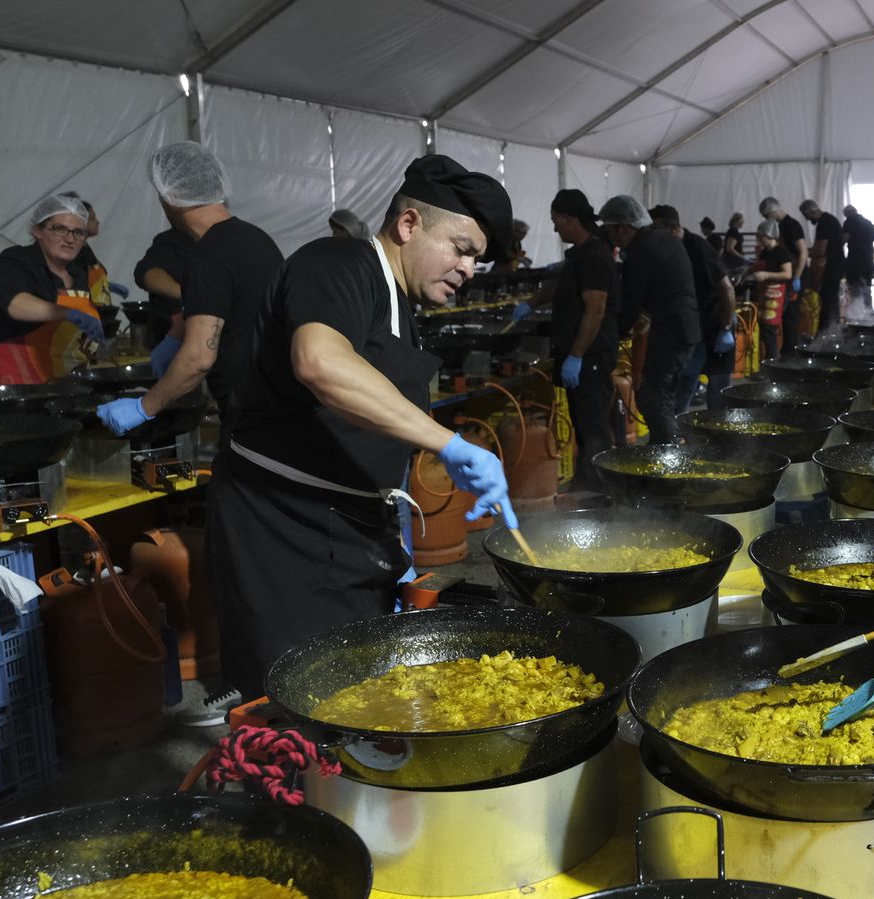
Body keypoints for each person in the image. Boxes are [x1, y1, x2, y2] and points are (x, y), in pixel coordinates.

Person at [208, 153, 518, 711]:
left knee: (359, 696)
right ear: (409, 224)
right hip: (283, 528)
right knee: (300, 700)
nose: (469, 269)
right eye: (461, 249)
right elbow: (320, 363)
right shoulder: (337, 262)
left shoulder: (401, 304)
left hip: (352, 526)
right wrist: (447, 443)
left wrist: (394, 536)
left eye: (476, 258)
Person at [97, 141, 284, 443]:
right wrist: (178, 334)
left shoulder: (207, 253)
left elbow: (198, 358)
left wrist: (143, 407)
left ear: (169, 196)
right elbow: (239, 306)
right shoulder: (256, 239)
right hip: (277, 402)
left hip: (250, 417)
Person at [514, 189, 619, 493]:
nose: (554, 228)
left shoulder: (594, 256)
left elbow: (595, 309)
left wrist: (576, 355)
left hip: (591, 358)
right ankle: (591, 488)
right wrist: (530, 303)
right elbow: (560, 285)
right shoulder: (581, 254)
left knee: (594, 428)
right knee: (585, 425)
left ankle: (596, 491)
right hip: (583, 357)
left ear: (569, 218)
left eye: (555, 220)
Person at [600, 195, 699, 446]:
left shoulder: (641, 251)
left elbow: (631, 306)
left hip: (668, 332)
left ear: (625, 227)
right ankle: (666, 448)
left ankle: (668, 456)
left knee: (652, 397)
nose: (612, 239)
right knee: (664, 397)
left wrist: (610, 338)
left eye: (611, 232)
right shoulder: (666, 239)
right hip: (685, 329)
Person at [0, 193, 104, 385]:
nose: (70, 239)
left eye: (78, 232)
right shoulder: (14, 262)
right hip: (10, 384)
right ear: (37, 231)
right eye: (60, 229)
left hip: (61, 384)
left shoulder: (78, 275)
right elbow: (15, 304)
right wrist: (68, 313)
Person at [651, 205, 736, 415]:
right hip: (693, 326)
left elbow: (727, 289)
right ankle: (675, 427)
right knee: (684, 382)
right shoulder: (670, 249)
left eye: (657, 230)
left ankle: (718, 428)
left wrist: (725, 327)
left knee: (718, 387)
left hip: (716, 323)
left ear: (672, 228)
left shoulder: (697, 248)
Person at [133, 227, 193, 350]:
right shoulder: (174, 240)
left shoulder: (226, 240)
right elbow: (147, 273)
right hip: (169, 334)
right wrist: (189, 295)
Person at [759, 197, 807, 351]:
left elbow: (803, 252)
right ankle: (784, 351)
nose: (766, 219)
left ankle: (790, 353)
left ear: (772, 212)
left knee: (790, 318)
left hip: (795, 275)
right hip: (787, 276)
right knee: (784, 318)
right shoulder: (779, 226)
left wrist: (797, 277)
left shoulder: (791, 225)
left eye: (766, 216)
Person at [64, 194, 125, 308]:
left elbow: (89, 277)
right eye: (92, 219)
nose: (97, 222)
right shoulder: (74, 252)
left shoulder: (85, 248)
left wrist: (107, 285)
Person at [747, 219, 793, 360]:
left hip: (777, 295)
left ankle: (772, 363)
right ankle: (766, 361)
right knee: (764, 330)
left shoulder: (781, 251)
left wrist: (766, 275)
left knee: (769, 330)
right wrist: (746, 272)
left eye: (761, 237)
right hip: (765, 293)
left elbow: (787, 274)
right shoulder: (765, 251)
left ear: (769, 235)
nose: (759, 240)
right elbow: (759, 265)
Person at [799, 200, 845, 334]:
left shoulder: (824, 223)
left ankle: (826, 333)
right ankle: (833, 331)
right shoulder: (831, 219)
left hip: (831, 268)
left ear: (810, 211)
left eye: (806, 216)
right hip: (837, 266)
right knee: (832, 302)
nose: (807, 219)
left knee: (827, 302)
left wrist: (801, 252)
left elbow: (820, 251)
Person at [842, 204, 874, 306]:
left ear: (847, 214)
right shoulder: (869, 223)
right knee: (867, 289)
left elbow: (844, 239)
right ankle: (868, 311)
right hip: (868, 261)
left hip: (854, 261)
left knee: (854, 291)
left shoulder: (849, 222)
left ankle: (856, 312)